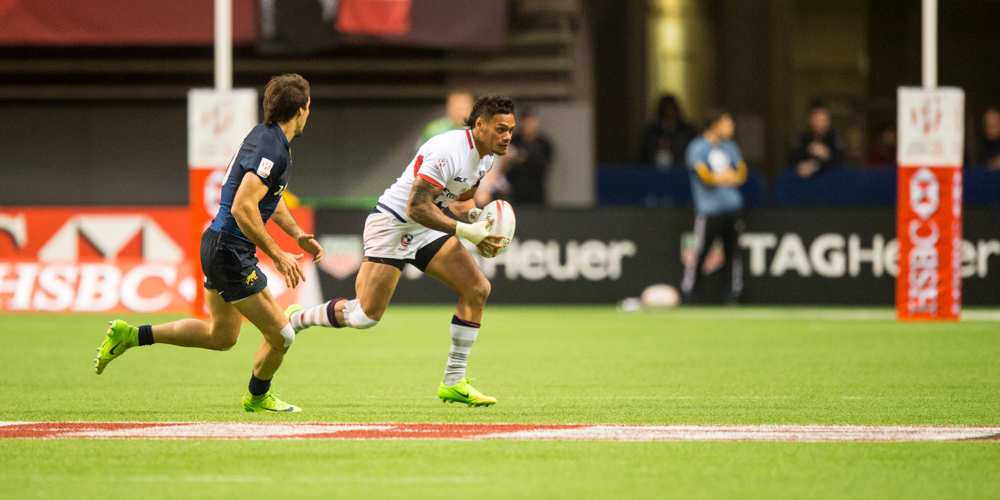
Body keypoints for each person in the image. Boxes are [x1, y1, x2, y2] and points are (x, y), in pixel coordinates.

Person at [94, 74, 321, 413]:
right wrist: (276, 254)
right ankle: (257, 396)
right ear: (302, 110)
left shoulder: (265, 138)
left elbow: (269, 198)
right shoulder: (272, 149)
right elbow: (245, 206)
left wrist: (296, 233)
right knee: (283, 335)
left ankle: (131, 335)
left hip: (217, 244)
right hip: (229, 251)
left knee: (221, 336)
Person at [286, 94, 513, 407]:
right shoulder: (447, 151)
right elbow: (417, 207)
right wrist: (465, 232)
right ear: (480, 125)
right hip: (392, 225)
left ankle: (454, 382)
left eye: (510, 130)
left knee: (477, 289)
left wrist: (475, 217)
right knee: (364, 316)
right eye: (501, 129)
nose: (508, 136)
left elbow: (460, 201)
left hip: (425, 229)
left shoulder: (485, 158)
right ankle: (299, 318)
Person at [681, 109, 746, 304]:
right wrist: (725, 176)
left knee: (732, 252)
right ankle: (690, 291)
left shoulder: (730, 147)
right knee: (700, 251)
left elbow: (741, 175)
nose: (731, 127)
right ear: (715, 124)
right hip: (709, 211)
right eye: (728, 123)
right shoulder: (697, 147)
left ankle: (732, 293)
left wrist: (721, 177)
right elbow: (705, 177)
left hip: (732, 208)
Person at [497, 107, 553, 205]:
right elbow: (502, 168)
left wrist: (525, 157)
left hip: (537, 193)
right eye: (525, 121)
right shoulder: (512, 141)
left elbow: (544, 166)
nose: (528, 124)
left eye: (531, 121)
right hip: (515, 193)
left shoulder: (543, 143)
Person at [787, 101, 844, 178]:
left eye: (824, 120)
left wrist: (826, 156)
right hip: (805, 186)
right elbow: (791, 160)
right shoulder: (802, 138)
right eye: (817, 119)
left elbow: (839, 161)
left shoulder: (834, 137)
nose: (821, 124)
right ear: (810, 120)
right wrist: (806, 154)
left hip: (830, 184)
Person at [640, 94, 698, 169]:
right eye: (666, 109)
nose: (670, 112)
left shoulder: (688, 132)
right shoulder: (651, 132)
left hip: (681, 173)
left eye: (672, 109)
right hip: (654, 175)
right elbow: (644, 156)